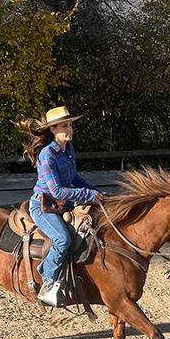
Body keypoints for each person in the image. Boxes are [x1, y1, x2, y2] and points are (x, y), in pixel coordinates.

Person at [15, 106, 104, 306]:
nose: (69, 129)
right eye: (65, 126)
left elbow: (75, 178)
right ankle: (47, 278)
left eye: (70, 125)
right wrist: (88, 194)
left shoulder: (68, 149)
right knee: (62, 239)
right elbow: (56, 191)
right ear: (53, 129)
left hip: (63, 203)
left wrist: (96, 193)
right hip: (43, 205)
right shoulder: (47, 155)